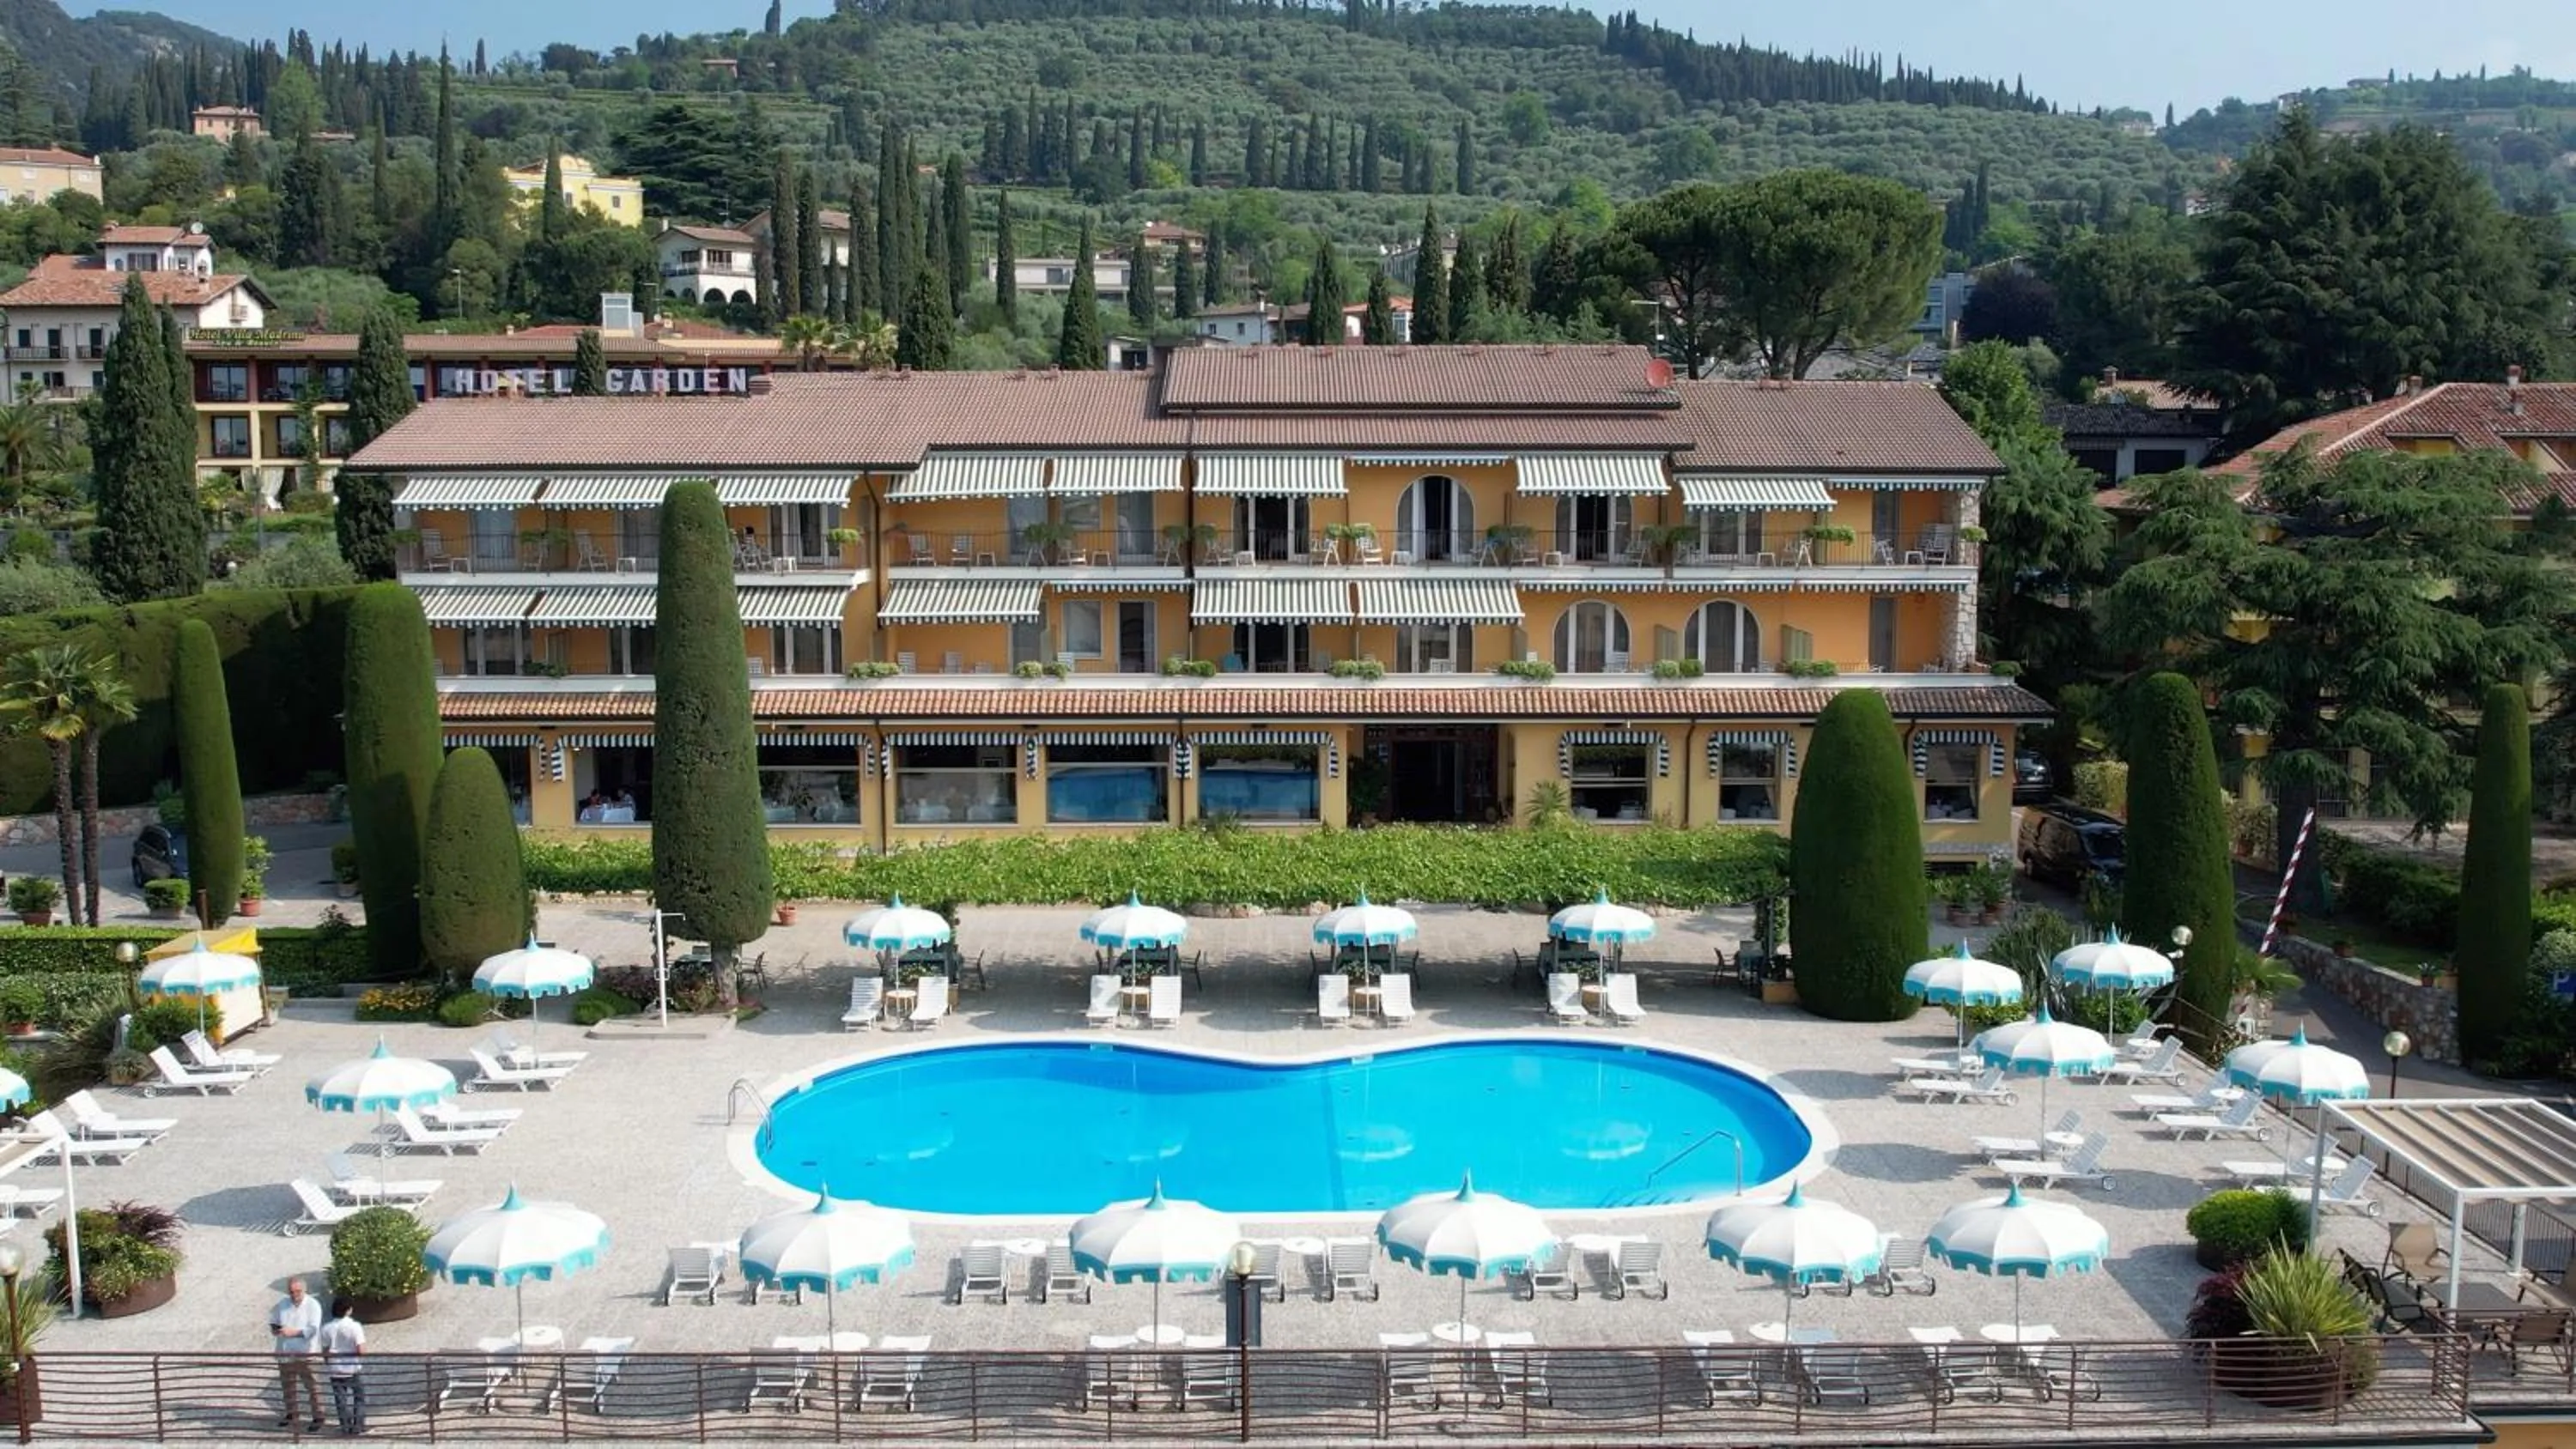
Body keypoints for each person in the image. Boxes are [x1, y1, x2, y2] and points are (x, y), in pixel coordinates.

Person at [270, 1278, 325, 1431]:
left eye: (298, 1291)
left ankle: (318, 1416)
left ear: (304, 1290)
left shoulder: (313, 1305)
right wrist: (275, 1329)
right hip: (286, 1351)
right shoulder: (282, 1304)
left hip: (306, 1353)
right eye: (292, 1292)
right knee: (288, 1385)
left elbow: (313, 1330)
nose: (295, 1295)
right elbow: (273, 1320)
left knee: (312, 1386)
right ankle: (292, 1413)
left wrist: (293, 1333)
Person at [317, 1296, 367, 1434]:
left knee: (340, 1399)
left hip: (335, 1368)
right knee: (359, 1396)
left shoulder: (326, 1328)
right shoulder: (355, 1327)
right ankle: (358, 1425)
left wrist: (328, 1362)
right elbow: (361, 1350)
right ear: (348, 1310)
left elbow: (325, 1350)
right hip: (352, 1367)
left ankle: (345, 1426)